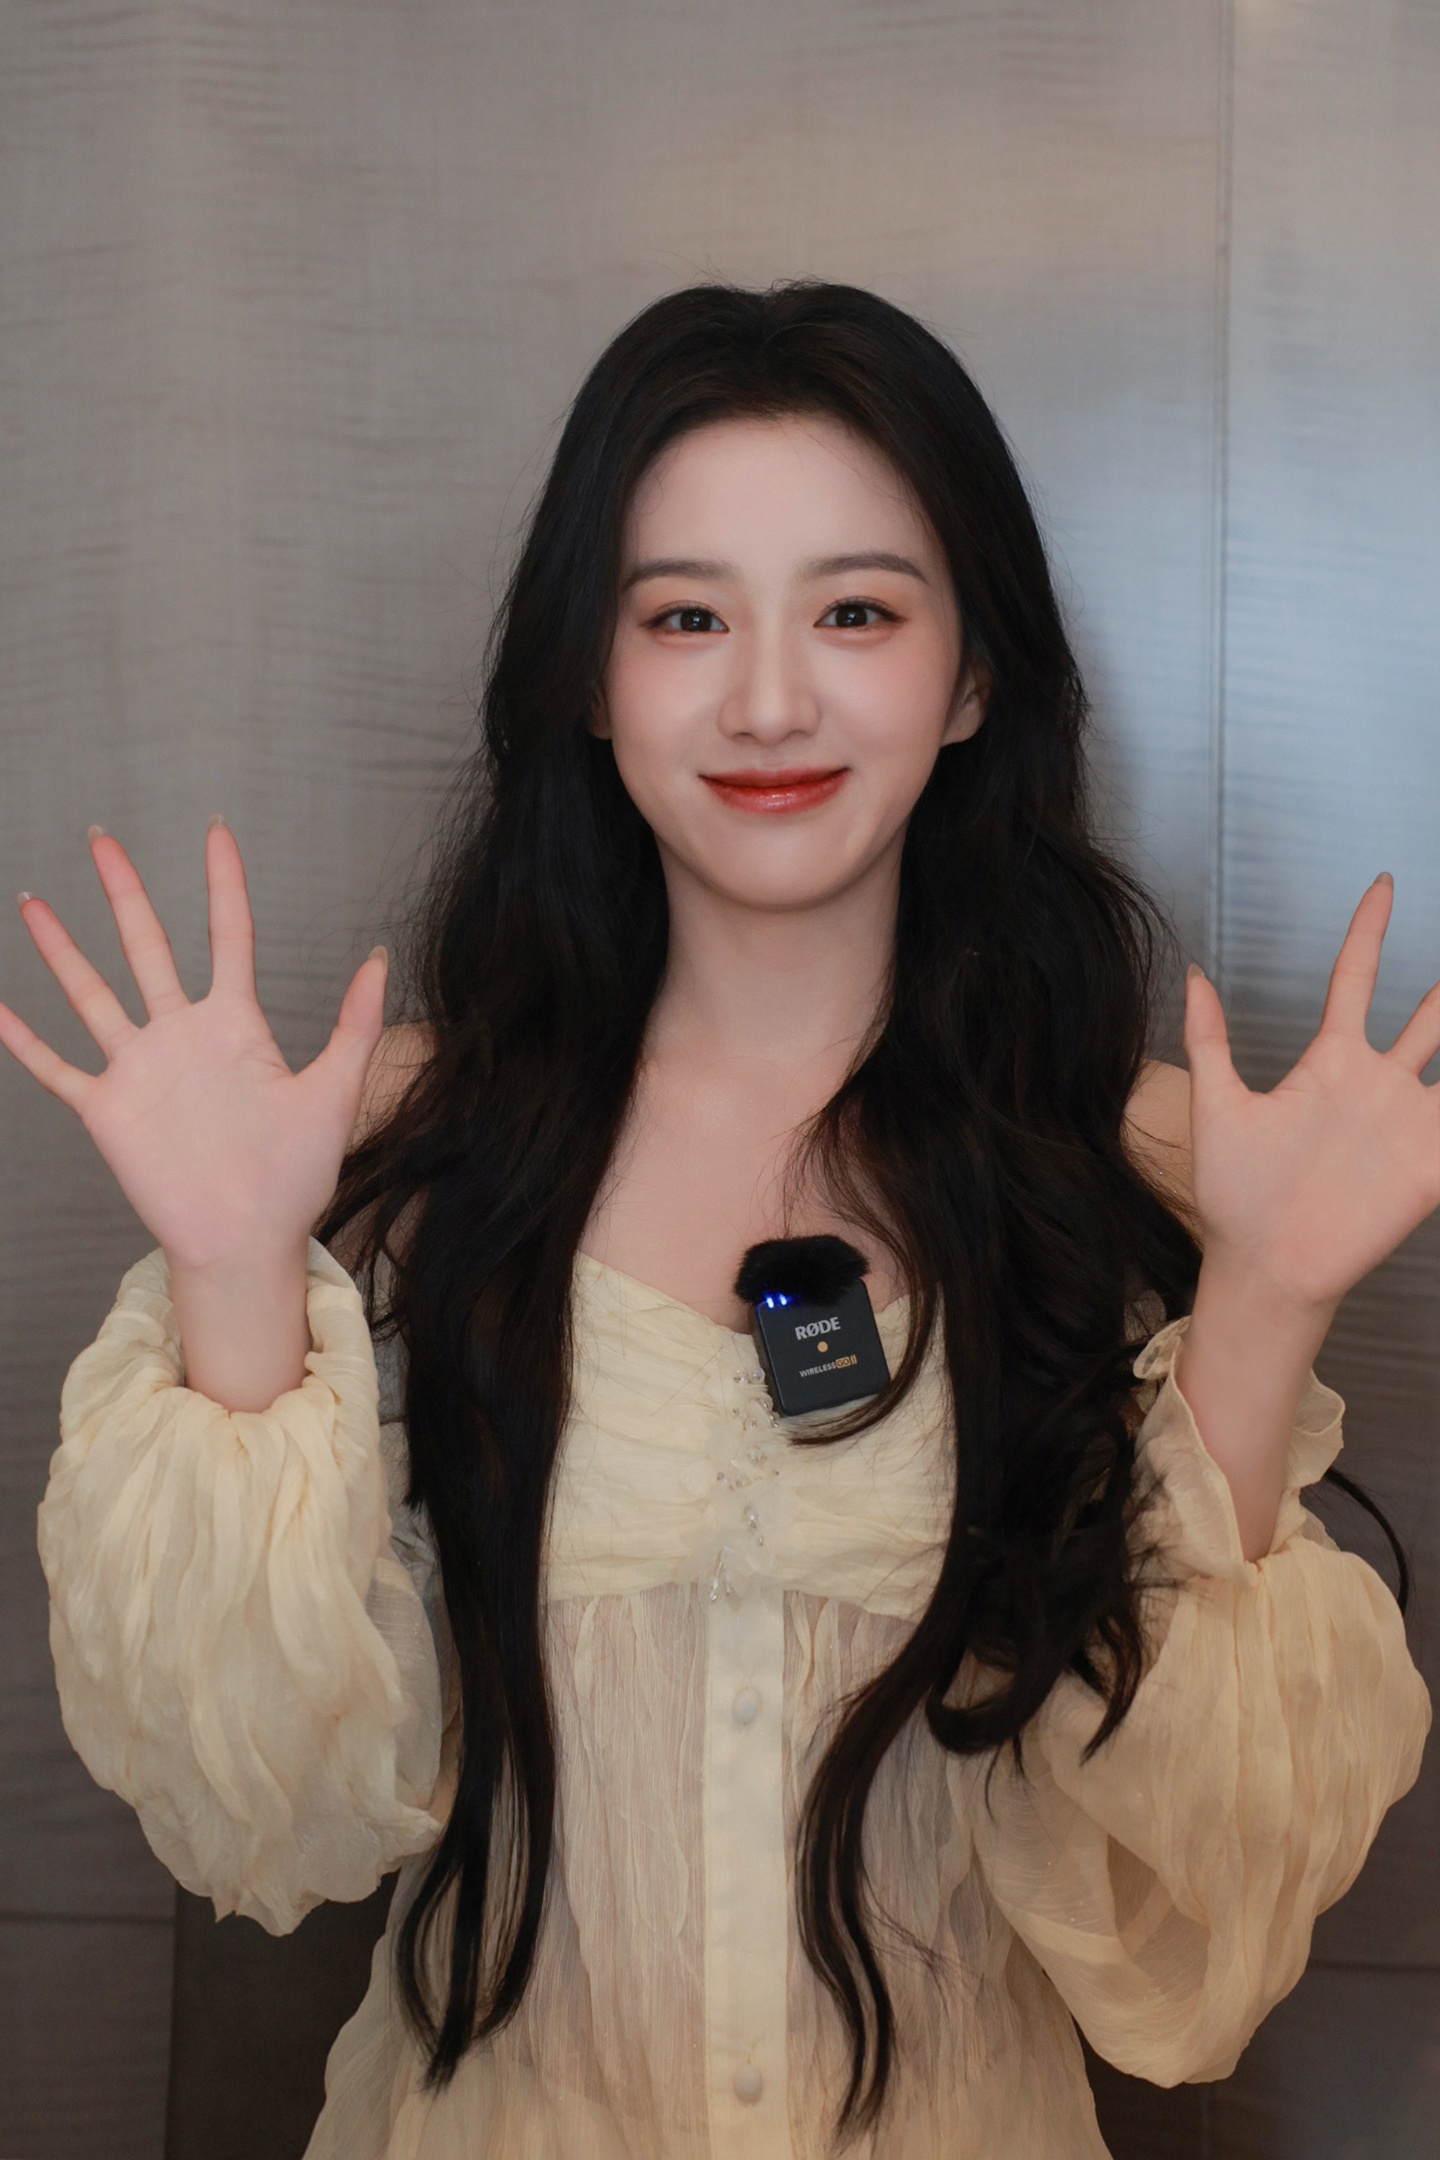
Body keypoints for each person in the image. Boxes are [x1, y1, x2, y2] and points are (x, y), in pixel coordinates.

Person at [5, 283, 1431, 2160]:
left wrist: (1266, 1302)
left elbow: (1181, 1922)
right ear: (590, 680)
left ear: (973, 678)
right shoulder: (389, 1139)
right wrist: (235, 1278)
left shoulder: (1162, 1159)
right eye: (685, 616)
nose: (768, 699)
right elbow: (278, 1816)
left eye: (857, 612)